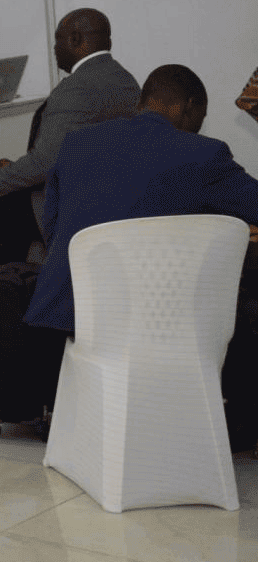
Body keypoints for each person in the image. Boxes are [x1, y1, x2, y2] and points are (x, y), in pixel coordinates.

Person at [24, 65, 258, 449]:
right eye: (201, 114)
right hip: (156, 321)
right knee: (244, 309)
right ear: (189, 105)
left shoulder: (77, 144)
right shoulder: (204, 155)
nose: (201, 123)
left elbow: (53, 228)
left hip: (69, 312)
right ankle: (240, 431)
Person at [0, 7, 139, 277]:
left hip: (67, 205)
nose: (54, 49)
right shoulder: (126, 81)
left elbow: (47, 162)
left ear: (75, 39)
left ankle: (17, 298)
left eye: (57, 40)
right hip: (109, 200)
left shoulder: (75, 88)